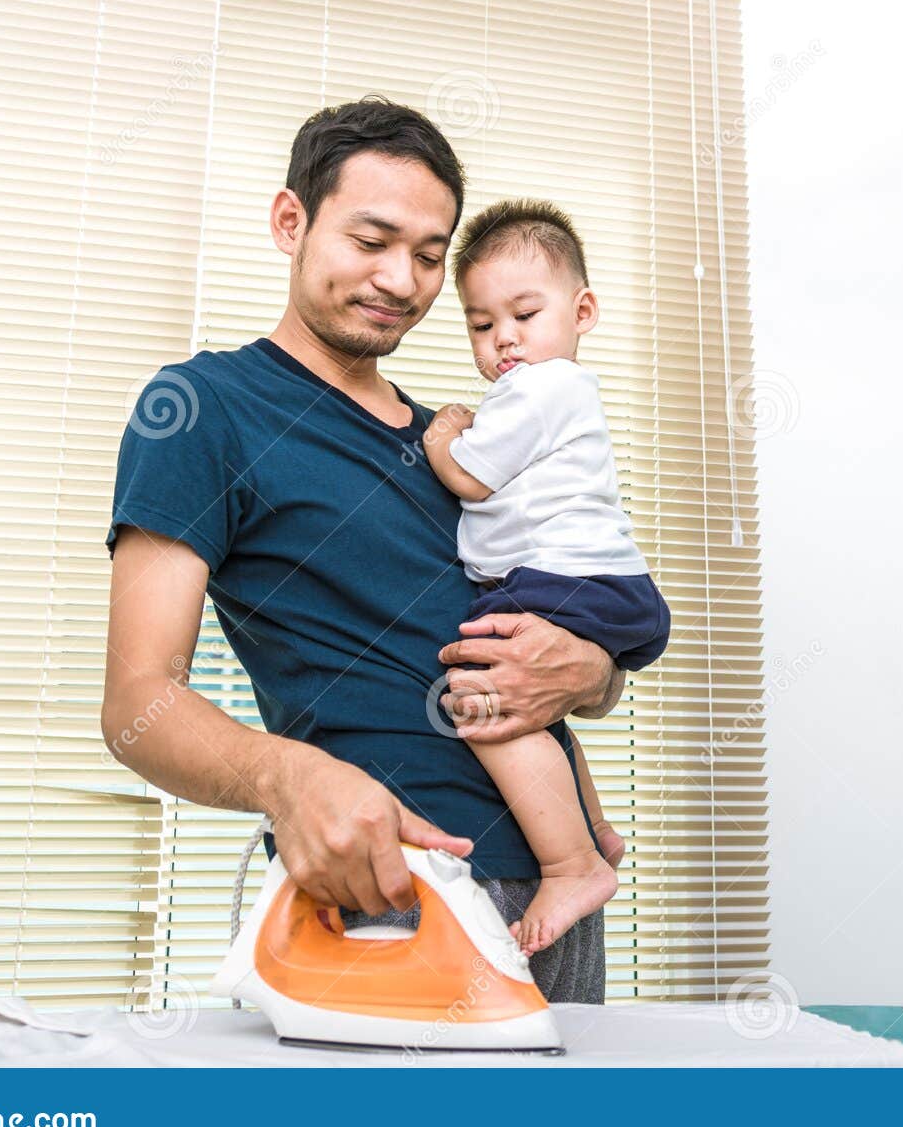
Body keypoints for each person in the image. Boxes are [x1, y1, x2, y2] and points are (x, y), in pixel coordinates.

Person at [100, 98, 624, 1002]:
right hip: (390, 890)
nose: (401, 279)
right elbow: (138, 702)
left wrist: (590, 672)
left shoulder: (463, 448)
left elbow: (571, 641)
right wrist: (286, 777)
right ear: (289, 222)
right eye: (371, 240)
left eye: (428, 256)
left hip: (558, 890)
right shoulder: (205, 409)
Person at [421, 198, 671, 954]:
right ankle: (592, 830)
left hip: (566, 577)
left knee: (484, 702)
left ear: (582, 309)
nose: (504, 340)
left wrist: (443, 433)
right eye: (481, 323)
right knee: (538, 708)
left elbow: (469, 478)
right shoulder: (555, 392)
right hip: (598, 582)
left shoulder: (540, 386)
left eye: (524, 314)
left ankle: (569, 866)